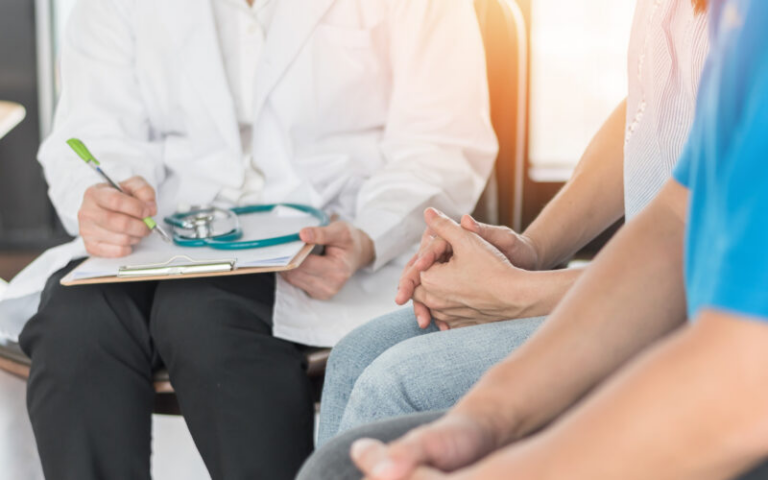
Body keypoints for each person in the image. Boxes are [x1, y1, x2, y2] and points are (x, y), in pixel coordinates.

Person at [2, 0, 497, 479]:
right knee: (75, 326)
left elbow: (439, 144)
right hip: (159, 236)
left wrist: (370, 236)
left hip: (330, 236)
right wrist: (104, 199)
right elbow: (94, 129)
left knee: (206, 319)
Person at [298, 0, 768, 478]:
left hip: (721, 353)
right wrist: (485, 416)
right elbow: (678, 202)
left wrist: (521, 296)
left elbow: (746, 367)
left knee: (391, 388)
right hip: (689, 312)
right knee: (355, 365)